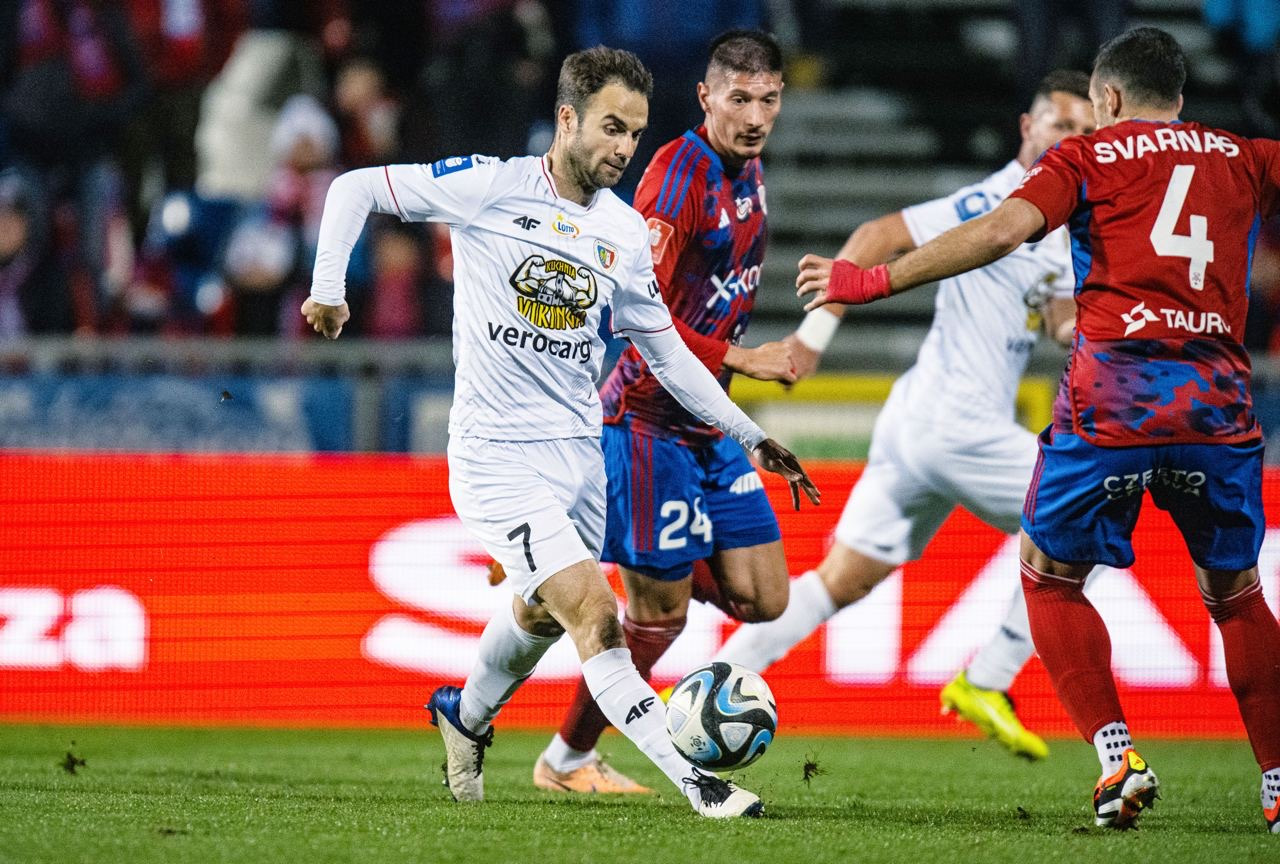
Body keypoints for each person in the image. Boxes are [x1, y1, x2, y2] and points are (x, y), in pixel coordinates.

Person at [301, 46, 819, 819]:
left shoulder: (621, 231)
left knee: (543, 613)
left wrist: (747, 434)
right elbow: (354, 188)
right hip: (496, 456)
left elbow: (665, 352)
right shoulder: (490, 185)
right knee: (596, 615)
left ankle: (466, 715)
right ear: (568, 118)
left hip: (580, 459)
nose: (624, 147)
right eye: (611, 127)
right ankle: (699, 785)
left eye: (635, 133)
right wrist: (328, 290)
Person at [796, 27, 1280, 833]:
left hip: (1115, 400)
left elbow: (998, 231)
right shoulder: (1244, 155)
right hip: (1216, 404)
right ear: (1180, 97)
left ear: (1108, 98)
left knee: (1049, 577)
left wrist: (874, 280)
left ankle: (1118, 758)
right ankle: (1277, 782)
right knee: (1236, 596)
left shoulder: (1086, 157)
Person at [708, 70, 1095, 763]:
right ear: (1027, 127)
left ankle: (709, 686)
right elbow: (880, 233)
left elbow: (1061, 313)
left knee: (842, 581)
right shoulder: (997, 200)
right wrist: (811, 338)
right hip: (957, 424)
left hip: (918, 420)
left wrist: (1091, 330)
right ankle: (989, 678)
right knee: (1089, 516)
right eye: (1061, 124)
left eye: (1086, 130)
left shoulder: (1060, 222)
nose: (1073, 139)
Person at [529, 28, 800, 796]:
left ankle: (600, 552)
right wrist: (742, 357)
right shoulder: (680, 178)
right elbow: (632, 312)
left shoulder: (747, 170)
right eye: (739, 99)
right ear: (707, 96)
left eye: (768, 100)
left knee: (764, 597)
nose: (755, 116)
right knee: (660, 618)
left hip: (706, 423)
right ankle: (567, 760)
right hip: (646, 420)